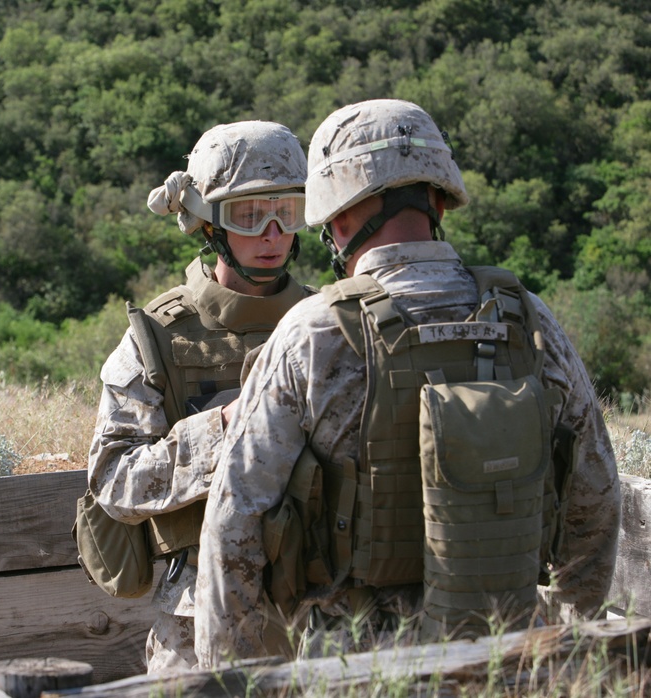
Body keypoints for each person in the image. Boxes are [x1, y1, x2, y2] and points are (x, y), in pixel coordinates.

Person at [195, 99, 621, 667]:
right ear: (440, 199)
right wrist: (564, 644)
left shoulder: (313, 333)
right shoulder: (526, 318)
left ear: (337, 218)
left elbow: (235, 525)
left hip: (352, 666)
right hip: (504, 650)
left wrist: (234, 679)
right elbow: (595, 492)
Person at [88, 120, 316, 673]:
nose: (271, 234)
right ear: (207, 223)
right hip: (199, 626)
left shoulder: (328, 324)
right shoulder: (160, 337)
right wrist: (226, 426)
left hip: (320, 611)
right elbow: (113, 481)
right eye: (248, 215)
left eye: (286, 212)